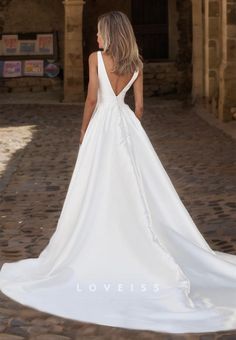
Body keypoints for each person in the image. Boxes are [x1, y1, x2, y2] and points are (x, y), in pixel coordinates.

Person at [0, 10, 236, 334]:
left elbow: (91, 99)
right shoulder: (136, 64)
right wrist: (130, 132)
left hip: (101, 128)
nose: (96, 37)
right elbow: (138, 108)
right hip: (126, 127)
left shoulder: (95, 58)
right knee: (136, 186)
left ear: (109, 34)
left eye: (99, 32)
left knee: (95, 186)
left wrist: (84, 132)